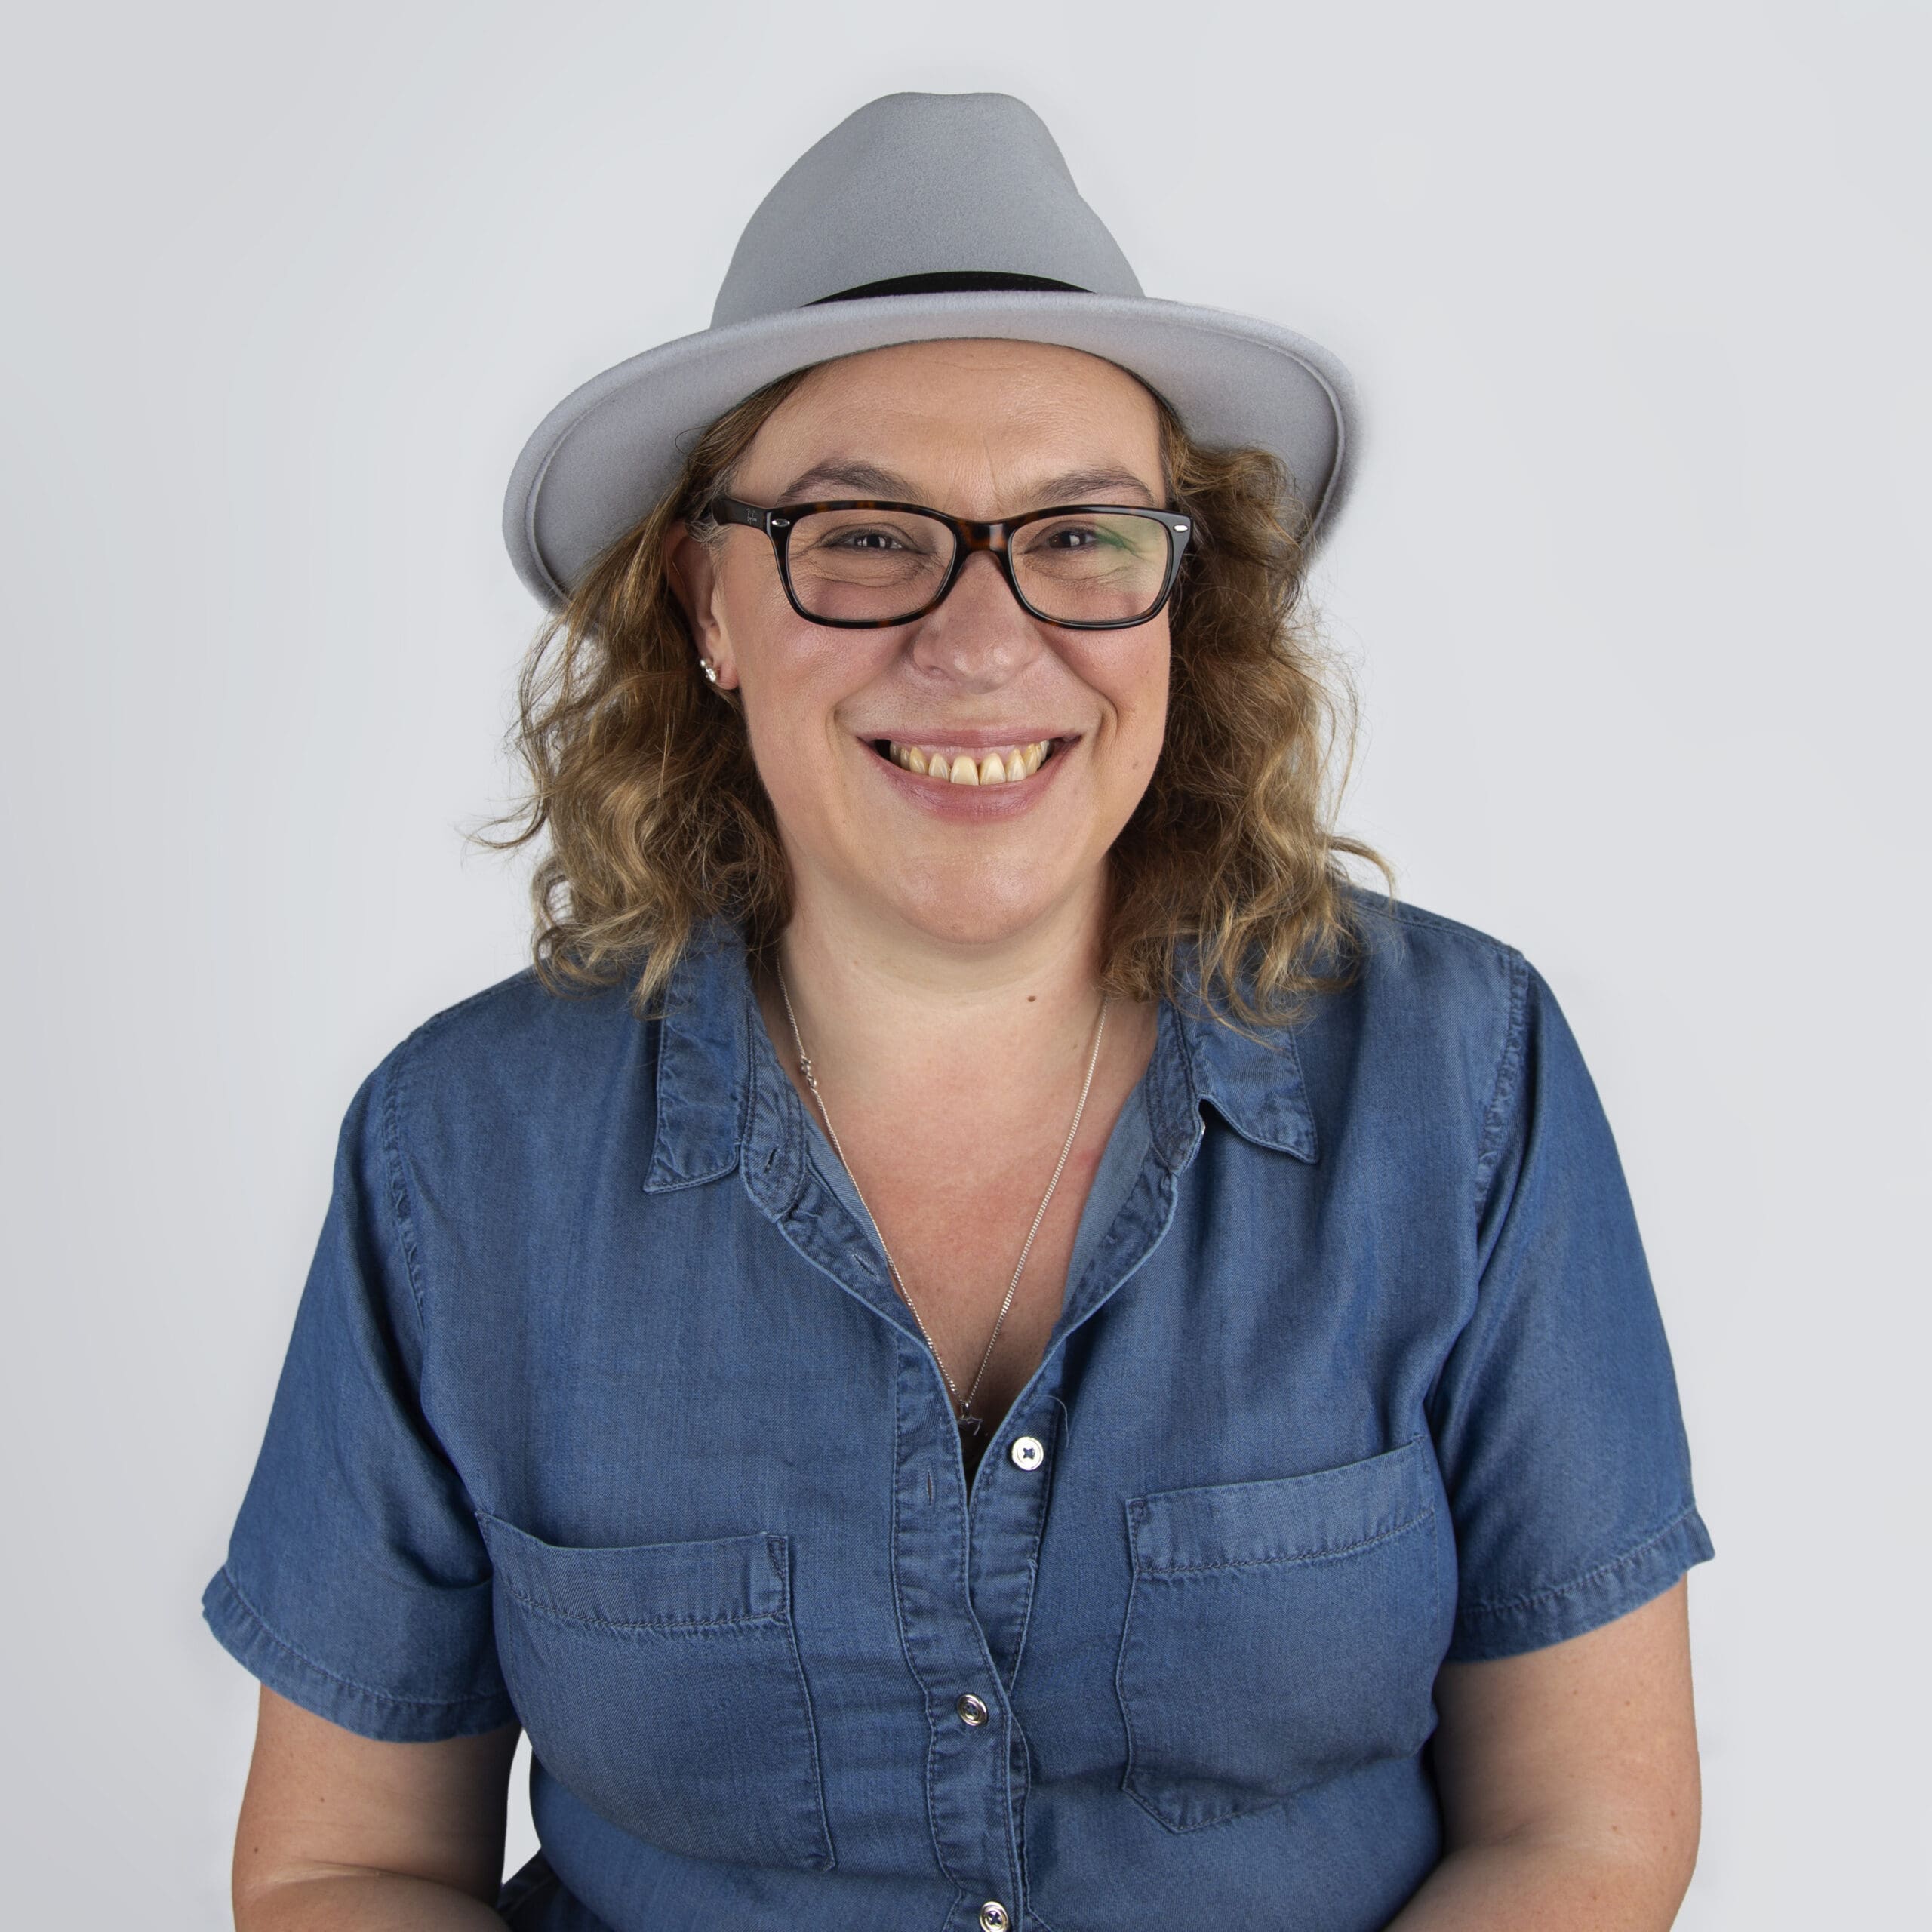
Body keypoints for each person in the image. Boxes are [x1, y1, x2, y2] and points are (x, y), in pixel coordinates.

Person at [203, 92, 1715, 1932]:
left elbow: (1584, 1822)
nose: (982, 644)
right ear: (705, 600)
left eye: (1077, 537)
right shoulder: (461, 1156)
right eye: (861, 537)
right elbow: (338, 1864)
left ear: (1180, 592)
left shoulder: (1460, 1083)